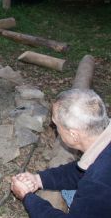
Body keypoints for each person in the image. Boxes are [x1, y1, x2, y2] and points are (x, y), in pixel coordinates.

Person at [11, 88, 111, 217]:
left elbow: (93, 178)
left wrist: (27, 197)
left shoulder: (97, 183)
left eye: (56, 125)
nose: (55, 130)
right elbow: (83, 170)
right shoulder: (101, 152)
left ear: (73, 134)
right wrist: (39, 179)